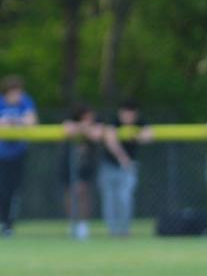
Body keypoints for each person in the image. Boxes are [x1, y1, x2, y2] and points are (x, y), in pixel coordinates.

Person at [0, 75, 39, 237]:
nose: (17, 96)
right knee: (0, 191)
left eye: (19, 92)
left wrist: (16, 121)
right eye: (13, 92)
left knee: (15, 191)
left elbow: (33, 122)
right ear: (6, 92)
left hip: (18, 153)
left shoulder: (25, 101)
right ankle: (2, 223)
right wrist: (1, 122)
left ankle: (9, 224)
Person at [99, 99, 153, 237]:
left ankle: (124, 229)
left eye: (131, 114)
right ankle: (112, 230)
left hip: (128, 168)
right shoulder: (113, 122)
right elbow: (111, 140)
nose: (128, 117)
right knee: (110, 200)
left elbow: (149, 135)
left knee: (125, 197)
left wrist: (137, 135)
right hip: (110, 166)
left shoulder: (140, 123)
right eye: (125, 114)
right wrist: (122, 157)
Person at [60, 104, 103, 240]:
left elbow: (96, 135)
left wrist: (83, 129)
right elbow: (67, 130)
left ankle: (83, 225)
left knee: (83, 192)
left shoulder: (96, 124)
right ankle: (72, 222)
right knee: (69, 194)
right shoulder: (70, 122)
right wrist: (82, 128)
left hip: (86, 164)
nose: (89, 119)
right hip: (69, 164)